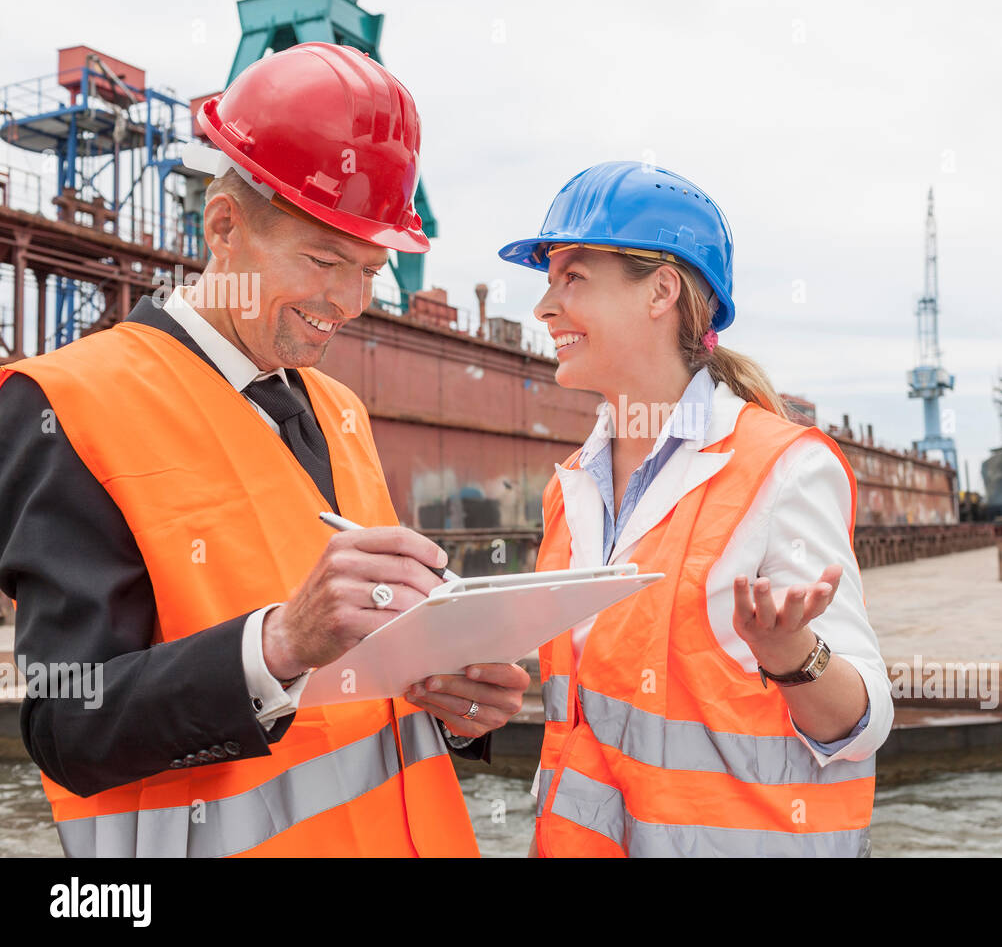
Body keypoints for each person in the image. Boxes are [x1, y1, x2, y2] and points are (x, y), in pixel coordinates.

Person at [0, 43, 528, 857]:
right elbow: (68, 727)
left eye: (370, 271)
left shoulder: (339, 411)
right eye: (324, 261)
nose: (350, 303)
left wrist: (451, 705)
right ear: (223, 225)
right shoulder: (70, 403)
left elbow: (367, 683)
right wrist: (277, 644)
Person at [496, 161, 893, 857]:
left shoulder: (780, 468)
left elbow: (862, 724)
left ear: (662, 290)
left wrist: (791, 654)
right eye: (548, 281)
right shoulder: (571, 489)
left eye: (573, 278)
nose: (544, 307)